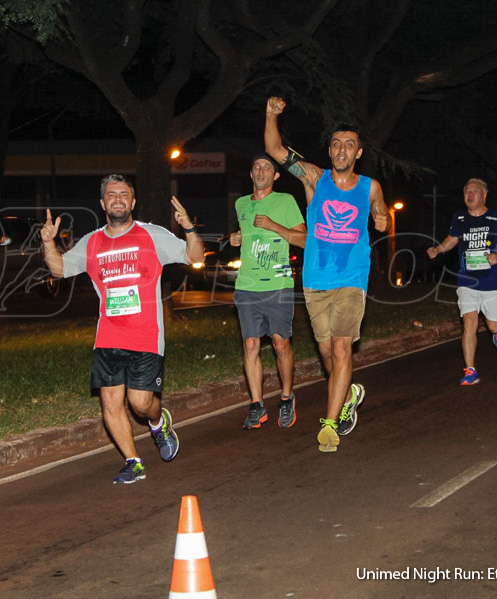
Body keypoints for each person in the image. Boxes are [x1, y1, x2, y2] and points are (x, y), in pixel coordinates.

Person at [40, 175, 204, 484]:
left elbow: (195, 257)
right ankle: (133, 461)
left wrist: (190, 229)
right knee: (110, 402)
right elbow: (59, 269)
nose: (118, 198)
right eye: (111, 194)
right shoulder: (92, 242)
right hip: (109, 334)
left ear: (133, 202)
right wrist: (48, 243)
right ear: (102, 204)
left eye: (124, 194)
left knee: (140, 404)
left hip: (145, 335)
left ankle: (158, 423)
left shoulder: (152, 236)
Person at [263, 97, 390, 453]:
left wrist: (383, 218)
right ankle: (349, 394)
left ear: (358, 153)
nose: (341, 150)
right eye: (336, 144)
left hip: (351, 278)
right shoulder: (315, 178)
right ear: (330, 150)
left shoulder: (370, 186)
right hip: (316, 279)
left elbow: (381, 211)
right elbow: (274, 149)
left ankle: (330, 425)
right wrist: (271, 114)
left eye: (349, 145)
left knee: (340, 346)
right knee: (326, 354)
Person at [230, 154, 307, 430]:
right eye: (257, 167)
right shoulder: (241, 204)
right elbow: (242, 236)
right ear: (251, 174)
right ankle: (256, 405)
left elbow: (303, 238)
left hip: (279, 285)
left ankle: (286, 397)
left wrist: (275, 226)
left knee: (280, 343)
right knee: (250, 345)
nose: (261, 171)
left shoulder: (285, 201)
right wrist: (234, 238)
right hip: (247, 285)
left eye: (267, 168)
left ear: (275, 176)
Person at [427, 178, 497, 384]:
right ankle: (470, 370)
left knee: (494, 326)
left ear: (484, 195)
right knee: (469, 322)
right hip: (468, 281)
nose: (470, 194)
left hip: (492, 281)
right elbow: (453, 239)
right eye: (467, 191)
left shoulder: (496, 217)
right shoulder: (460, 218)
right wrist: (438, 248)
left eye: (475, 191)